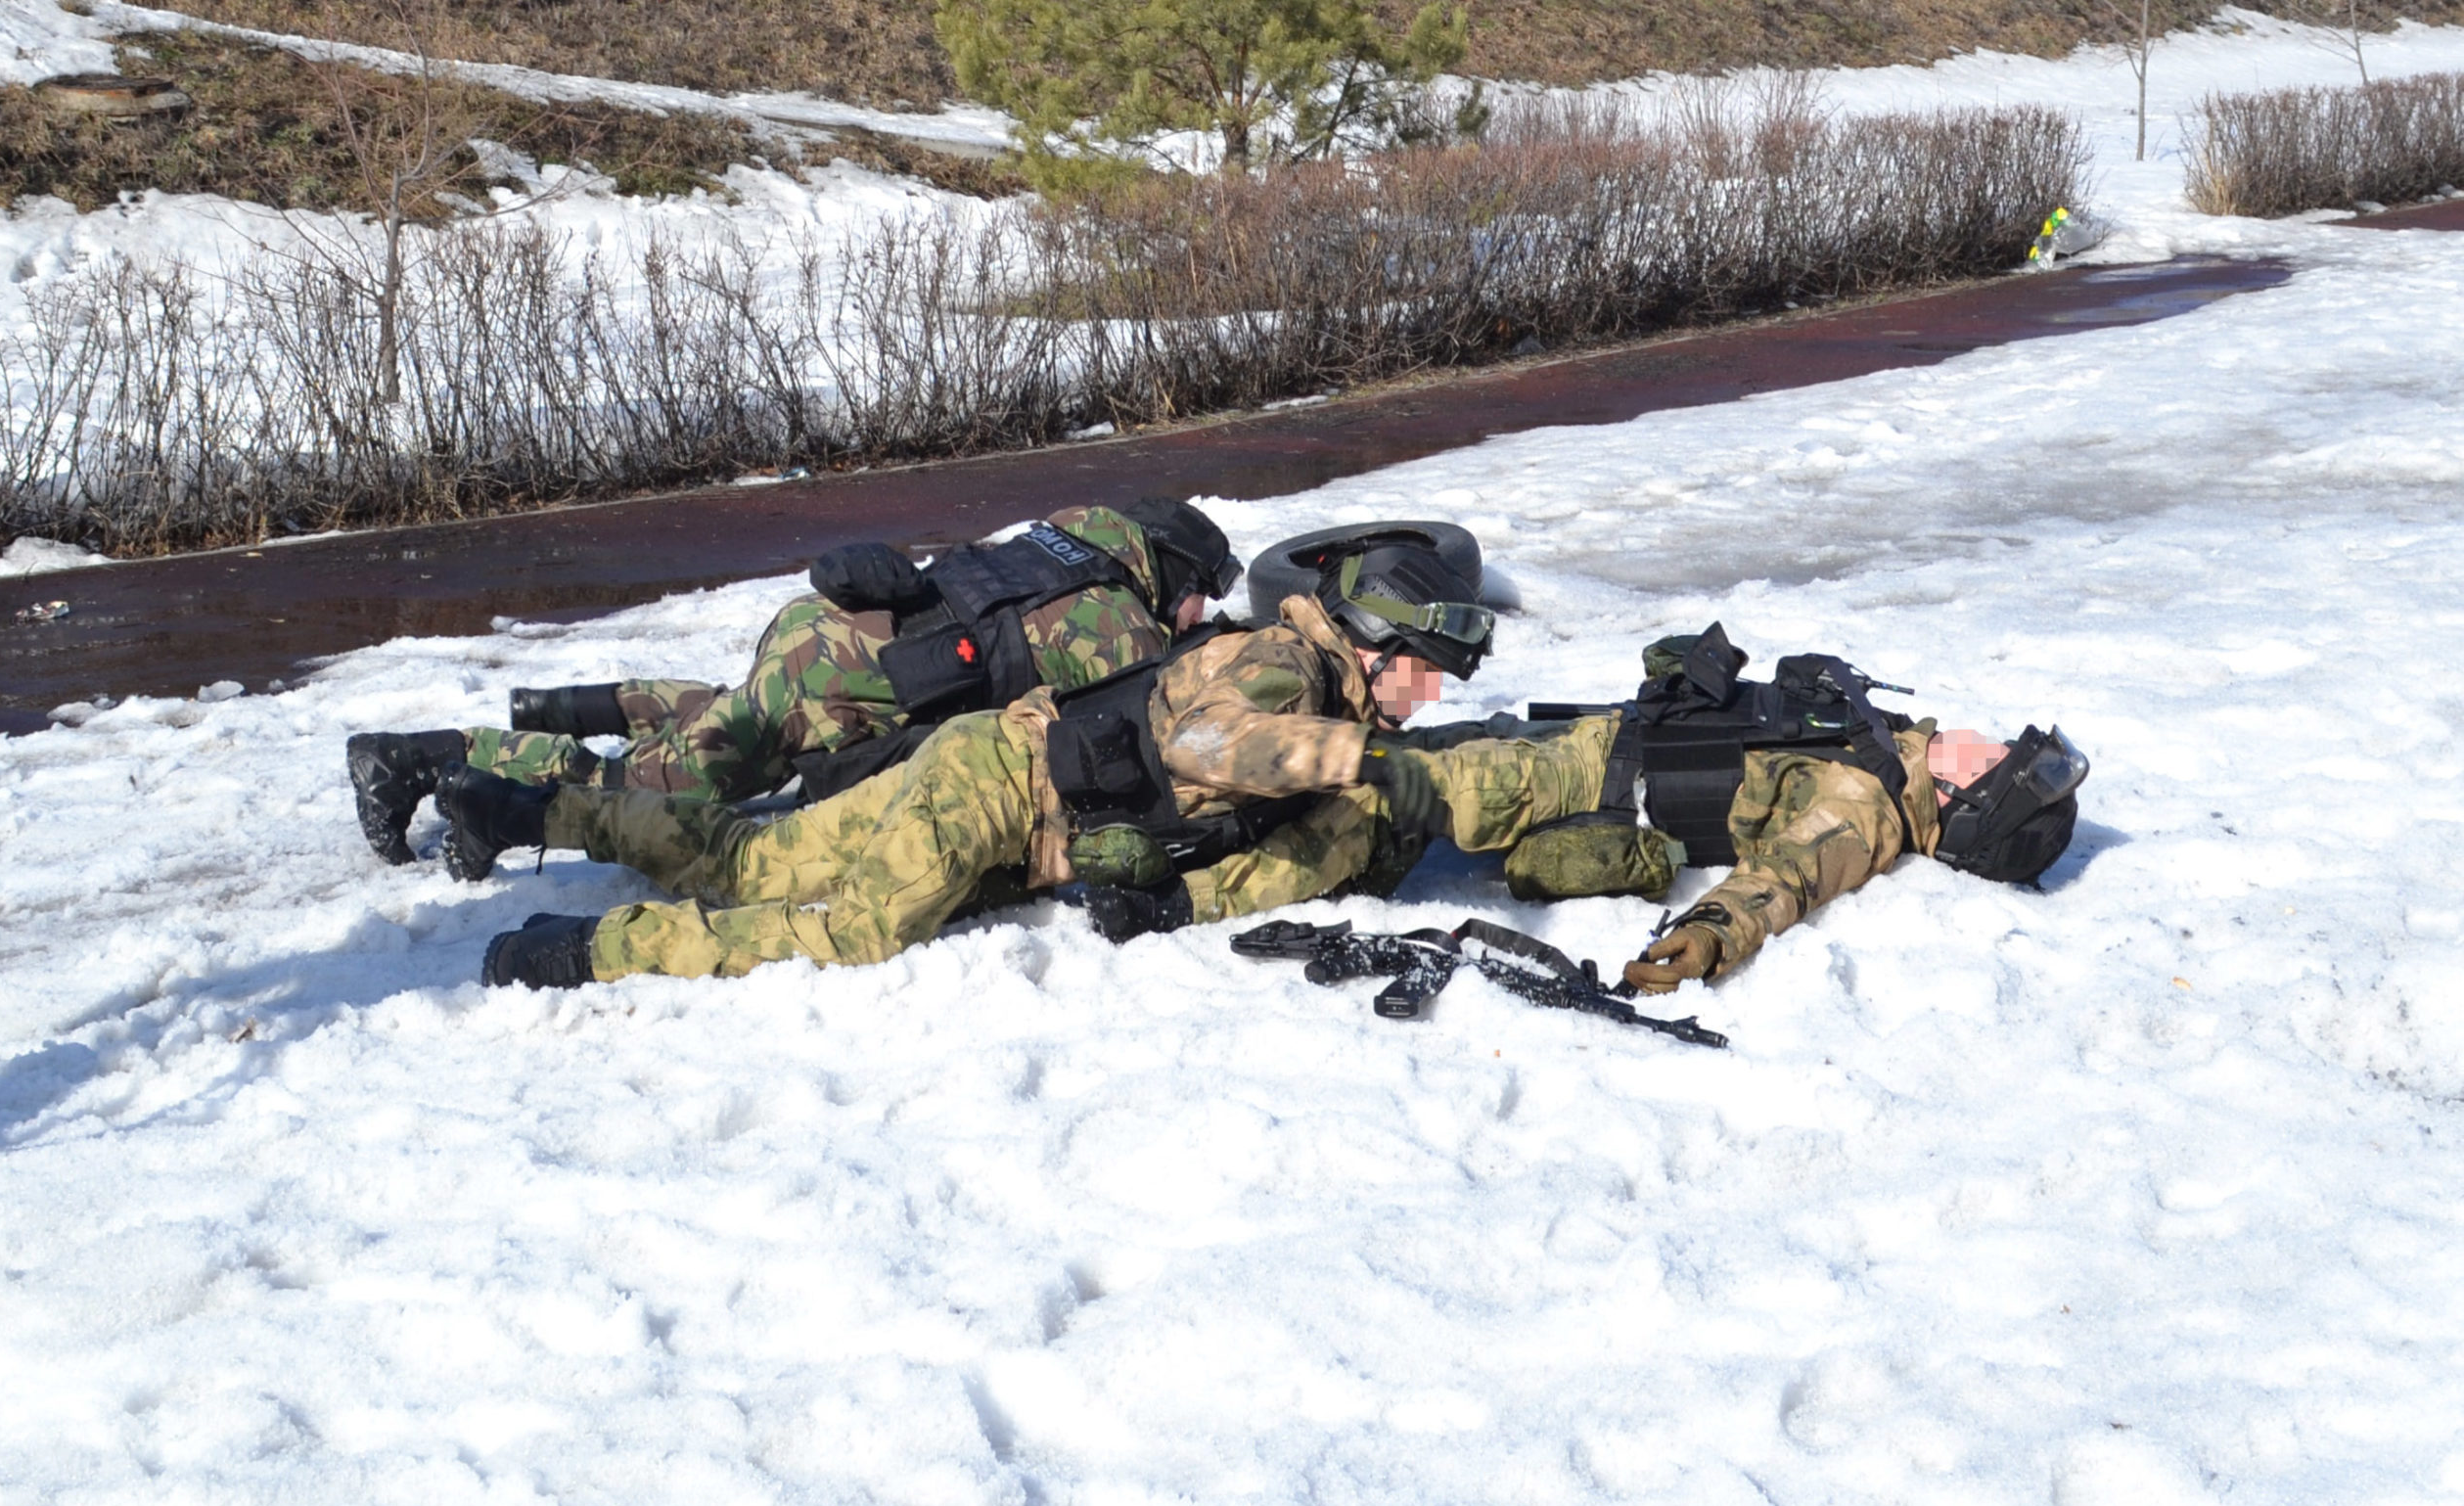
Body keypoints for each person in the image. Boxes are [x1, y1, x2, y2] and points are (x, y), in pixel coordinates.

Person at [441, 530, 1499, 986]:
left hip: (990, 768)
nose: (1435, 694)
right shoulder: (1280, 669)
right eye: (1425, 668)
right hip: (997, 790)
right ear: (1372, 642)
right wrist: (1357, 760)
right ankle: (584, 952)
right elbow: (1201, 742)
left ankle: (525, 809)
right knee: (859, 932)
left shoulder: (1309, 682)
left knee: (751, 863)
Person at [1101, 621, 2087, 993]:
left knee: (1382, 793)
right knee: (1393, 758)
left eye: (1997, 759)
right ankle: (1184, 803)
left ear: (1961, 796)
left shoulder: (1867, 803)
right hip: (1593, 740)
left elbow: (1779, 882)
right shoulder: (1895, 741)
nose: (1992, 739)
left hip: (1594, 779)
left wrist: (1706, 940)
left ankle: (1169, 894)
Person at [345, 499, 1239, 868]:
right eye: (1199, 596)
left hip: (828, 631)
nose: (1197, 615)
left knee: (731, 716)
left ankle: (554, 712)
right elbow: (1138, 716)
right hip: (840, 687)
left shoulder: (1071, 535)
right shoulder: (1123, 622)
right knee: (656, 787)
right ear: (1171, 573)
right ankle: (437, 762)